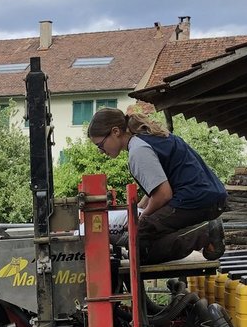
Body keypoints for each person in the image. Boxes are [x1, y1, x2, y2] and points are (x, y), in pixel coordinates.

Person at [87, 108, 228, 264]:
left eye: (100, 145)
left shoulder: (138, 150)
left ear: (115, 132)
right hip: (207, 197)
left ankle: (204, 233)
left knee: (139, 244)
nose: (101, 151)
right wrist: (137, 210)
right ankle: (201, 232)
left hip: (196, 200)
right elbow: (157, 185)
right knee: (142, 230)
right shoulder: (147, 139)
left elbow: (163, 194)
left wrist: (141, 218)